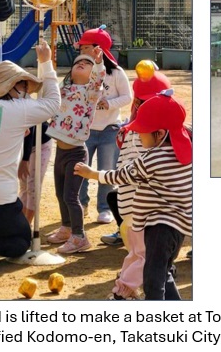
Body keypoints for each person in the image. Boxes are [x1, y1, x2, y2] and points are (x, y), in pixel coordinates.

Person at [75, 89, 192, 300]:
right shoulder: (185, 152)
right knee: (162, 273)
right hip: (178, 229)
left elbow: (121, 176)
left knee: (152, 282)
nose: (138, 135)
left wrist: (92, 173)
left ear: (160, 134)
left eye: (142, 132)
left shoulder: (152, 159)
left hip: (159, 228)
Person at [0, 39, 59, 273]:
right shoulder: (18, 109)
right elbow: (53, 103)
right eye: (25, 86)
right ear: (12, 86)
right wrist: (46, 62)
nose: (27, 92)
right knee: (20, 242)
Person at [104, 69, 173, 300]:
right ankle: (123, 292)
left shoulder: (133, 128)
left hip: (129, 206)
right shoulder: (147, 134)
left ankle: (130, 289)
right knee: (145, 257)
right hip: (143, 209)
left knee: (137, 254)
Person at [45, 48, 105, 255]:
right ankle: (67, 228)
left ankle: (80, 237)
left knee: (71, 196)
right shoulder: (65, 90)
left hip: (77, 154)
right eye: (78, 62)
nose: (81, 63)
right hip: (60, 152)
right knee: (60, 194)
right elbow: (49, 96)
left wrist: (98, 64)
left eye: (87, 63)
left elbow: (98, 79)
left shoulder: (91, 93)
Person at [73, 26, 132, 224]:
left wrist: (109, 103)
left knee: (106, 170)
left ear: (98, 49)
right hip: (85, 130)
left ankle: (104, 207)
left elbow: (127, 96)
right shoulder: (79, 71)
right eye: (80, 48)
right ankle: (81, 204)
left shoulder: (116, 72)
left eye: (85, 47)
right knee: (81, 169)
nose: (82, 51)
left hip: (110, 129)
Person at [18, 121, 52, 225]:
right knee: (23, 185)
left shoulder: (30, 106)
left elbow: (31, 130)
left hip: (41, 144)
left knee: (33, 186)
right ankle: (21, 222)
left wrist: (25, 160)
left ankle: (27, 224)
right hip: (22, 146)